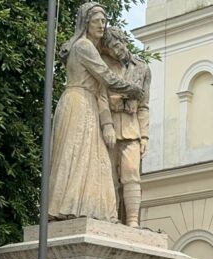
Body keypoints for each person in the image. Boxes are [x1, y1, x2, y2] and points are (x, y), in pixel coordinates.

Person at [47, 2, 143, 222]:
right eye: (97, 21)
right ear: (86, 23)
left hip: (82, 101)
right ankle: (70, 206)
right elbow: (107, 78)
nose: (101, 25)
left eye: (104, 21)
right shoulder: (84, 46)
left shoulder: (82, 47)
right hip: (79, 102)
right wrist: (133, 89)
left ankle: (80, 206)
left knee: (86, 156)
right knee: (77, 154)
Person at [99, 26, 152, 227]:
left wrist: (144, 136)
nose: (115, 51)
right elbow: (101, 97)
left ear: (123, 41)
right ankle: (111, 216)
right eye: (110, 48)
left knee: (131, 173)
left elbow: (144, 106)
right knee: (109, 174)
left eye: (116, 45)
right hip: (109, 125)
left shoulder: (142, 68)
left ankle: (132, 221)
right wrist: (107, 124)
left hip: (131, 128)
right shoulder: (103, 65)